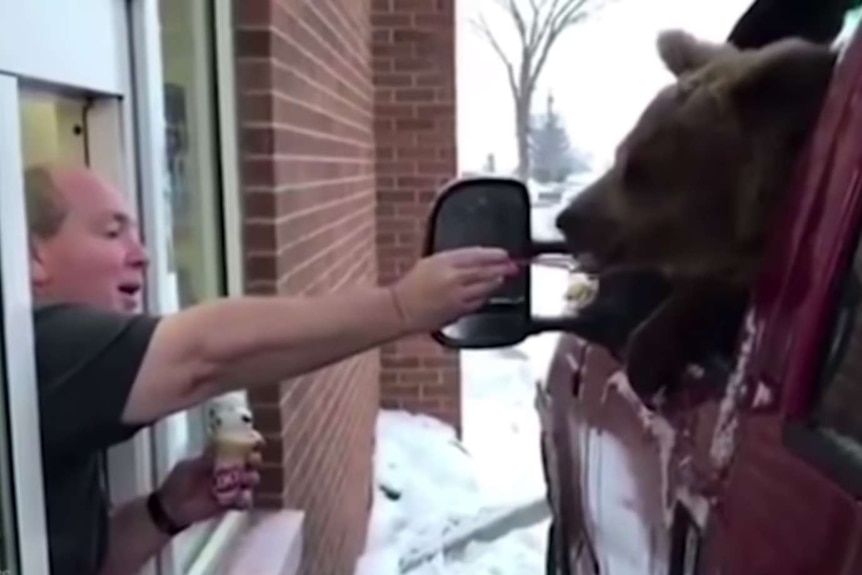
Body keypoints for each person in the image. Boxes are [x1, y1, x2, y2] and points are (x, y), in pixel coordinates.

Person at [25, 163, 517, 575]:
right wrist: (399, 308)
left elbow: (85, 564)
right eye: (113, 233)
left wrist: (166, 510)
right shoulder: (40, 346)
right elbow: (203, 356)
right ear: (30, 255)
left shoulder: (54, 386)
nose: (143, 255)